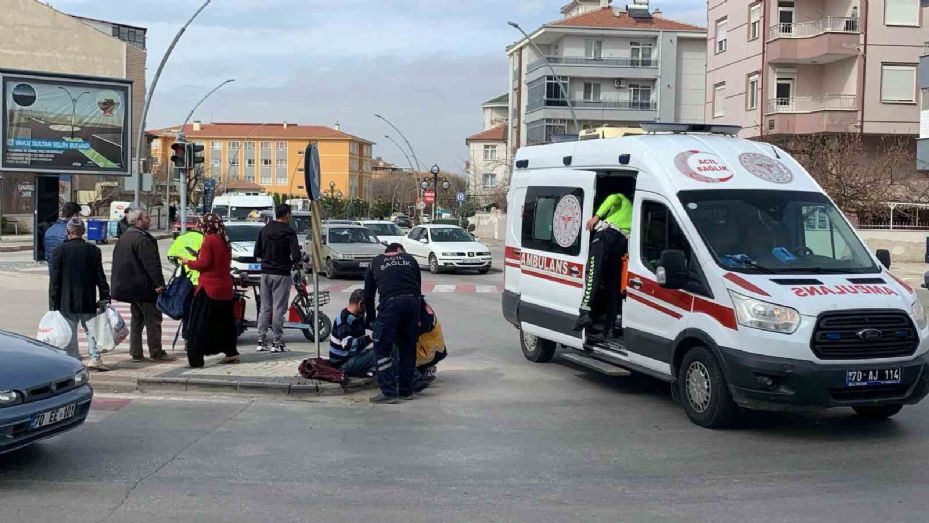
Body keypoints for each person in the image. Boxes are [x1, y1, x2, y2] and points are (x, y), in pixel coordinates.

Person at [111, 208, 177, 363]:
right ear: (138, 221)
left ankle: (136, 352)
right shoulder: (143, 239)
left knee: (137, 320)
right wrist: (160, 284)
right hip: (145, 288)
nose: (150, 220)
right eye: (147, 218)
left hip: (131, 288)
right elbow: (152, 265)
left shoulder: (124, 237)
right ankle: (156, 352)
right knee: (153, 320)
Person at [49, 218, 112, 371]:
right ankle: (95, 358)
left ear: (68, 232)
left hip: (66, 299)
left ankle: (75, 361)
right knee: (91, 329)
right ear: (83, 232)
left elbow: (55, 280)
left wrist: (52, 303)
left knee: (70, 332)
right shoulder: (93, 250)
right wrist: (105, 295)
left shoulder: (59, 251)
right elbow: (100, 276)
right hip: (87, 298)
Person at [364, 243, 422, 404]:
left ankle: (388, 392)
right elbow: (418, 287)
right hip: (413, 304)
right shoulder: (410, 259)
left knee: (382, 349)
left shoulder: (375, 262)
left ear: (385, 253)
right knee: (408, 348)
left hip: (390, 305)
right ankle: (406, 390)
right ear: (398, 252)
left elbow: (368, 295)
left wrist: (371, 319)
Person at [180, 214, 240, 367]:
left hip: (209, 289)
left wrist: (189, 262)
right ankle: (231, 352)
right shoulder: (224, 240)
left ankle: (195, 360)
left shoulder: (209, 240)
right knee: (225, 323)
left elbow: (204, 263)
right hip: (225, 288)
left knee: (198, 325)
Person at [574, 192, 633, 336]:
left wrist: (596, 217)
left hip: (607, 235)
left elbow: (612, 198)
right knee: (613, 285)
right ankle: (610, 327)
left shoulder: (623, 198)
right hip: (621, 242)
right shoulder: (635, 210)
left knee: (595, 272)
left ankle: (584, 313)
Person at [253, 203, 300, 353]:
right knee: (279, 309)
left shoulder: (264, 230)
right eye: (290, 214)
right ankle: (277, 341)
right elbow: (297, 256)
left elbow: (257, 252)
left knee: (265, 308)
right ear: (286, 215)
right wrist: (291, 262)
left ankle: (261, 340)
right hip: (282, 273)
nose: (290, 216)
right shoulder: (290, 232)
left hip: (265, 273)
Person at [329, 289, 376, 377]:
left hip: (352, 357)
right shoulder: (344, 320)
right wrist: (370, 338)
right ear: (360, 304)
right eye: (366, 306)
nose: (367, 309)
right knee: (379, 352)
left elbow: (371, 324)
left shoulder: (358, 316)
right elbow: (348, 345)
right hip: (343, 364)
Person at [44, 202, 82, 272]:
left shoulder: (49, 230)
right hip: (68, 269)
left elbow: (47, 253)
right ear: (75, 215)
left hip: (52, 268)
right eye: (79, 215)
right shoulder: (71, 231)